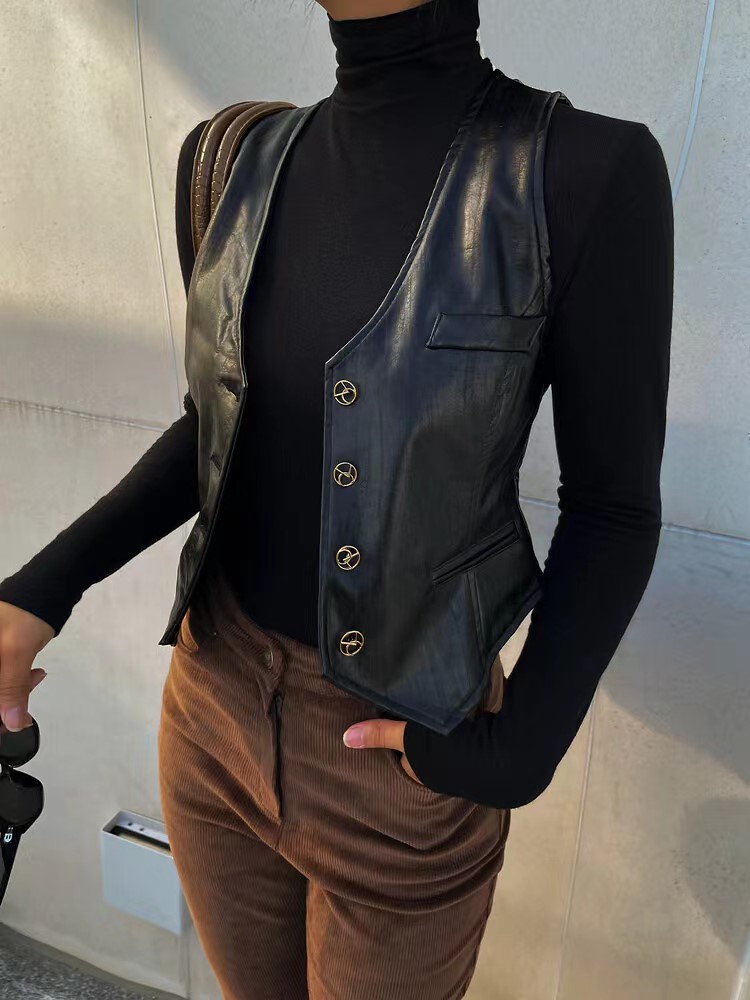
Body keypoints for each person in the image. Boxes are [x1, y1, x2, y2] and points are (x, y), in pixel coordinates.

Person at [0, 0, 673, 995]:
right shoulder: (231, 158)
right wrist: (41, 588)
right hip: (211, 714)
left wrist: (520, 750)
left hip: (401, 755)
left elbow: (613, 508)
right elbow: (219, 428)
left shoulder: (581, 172)